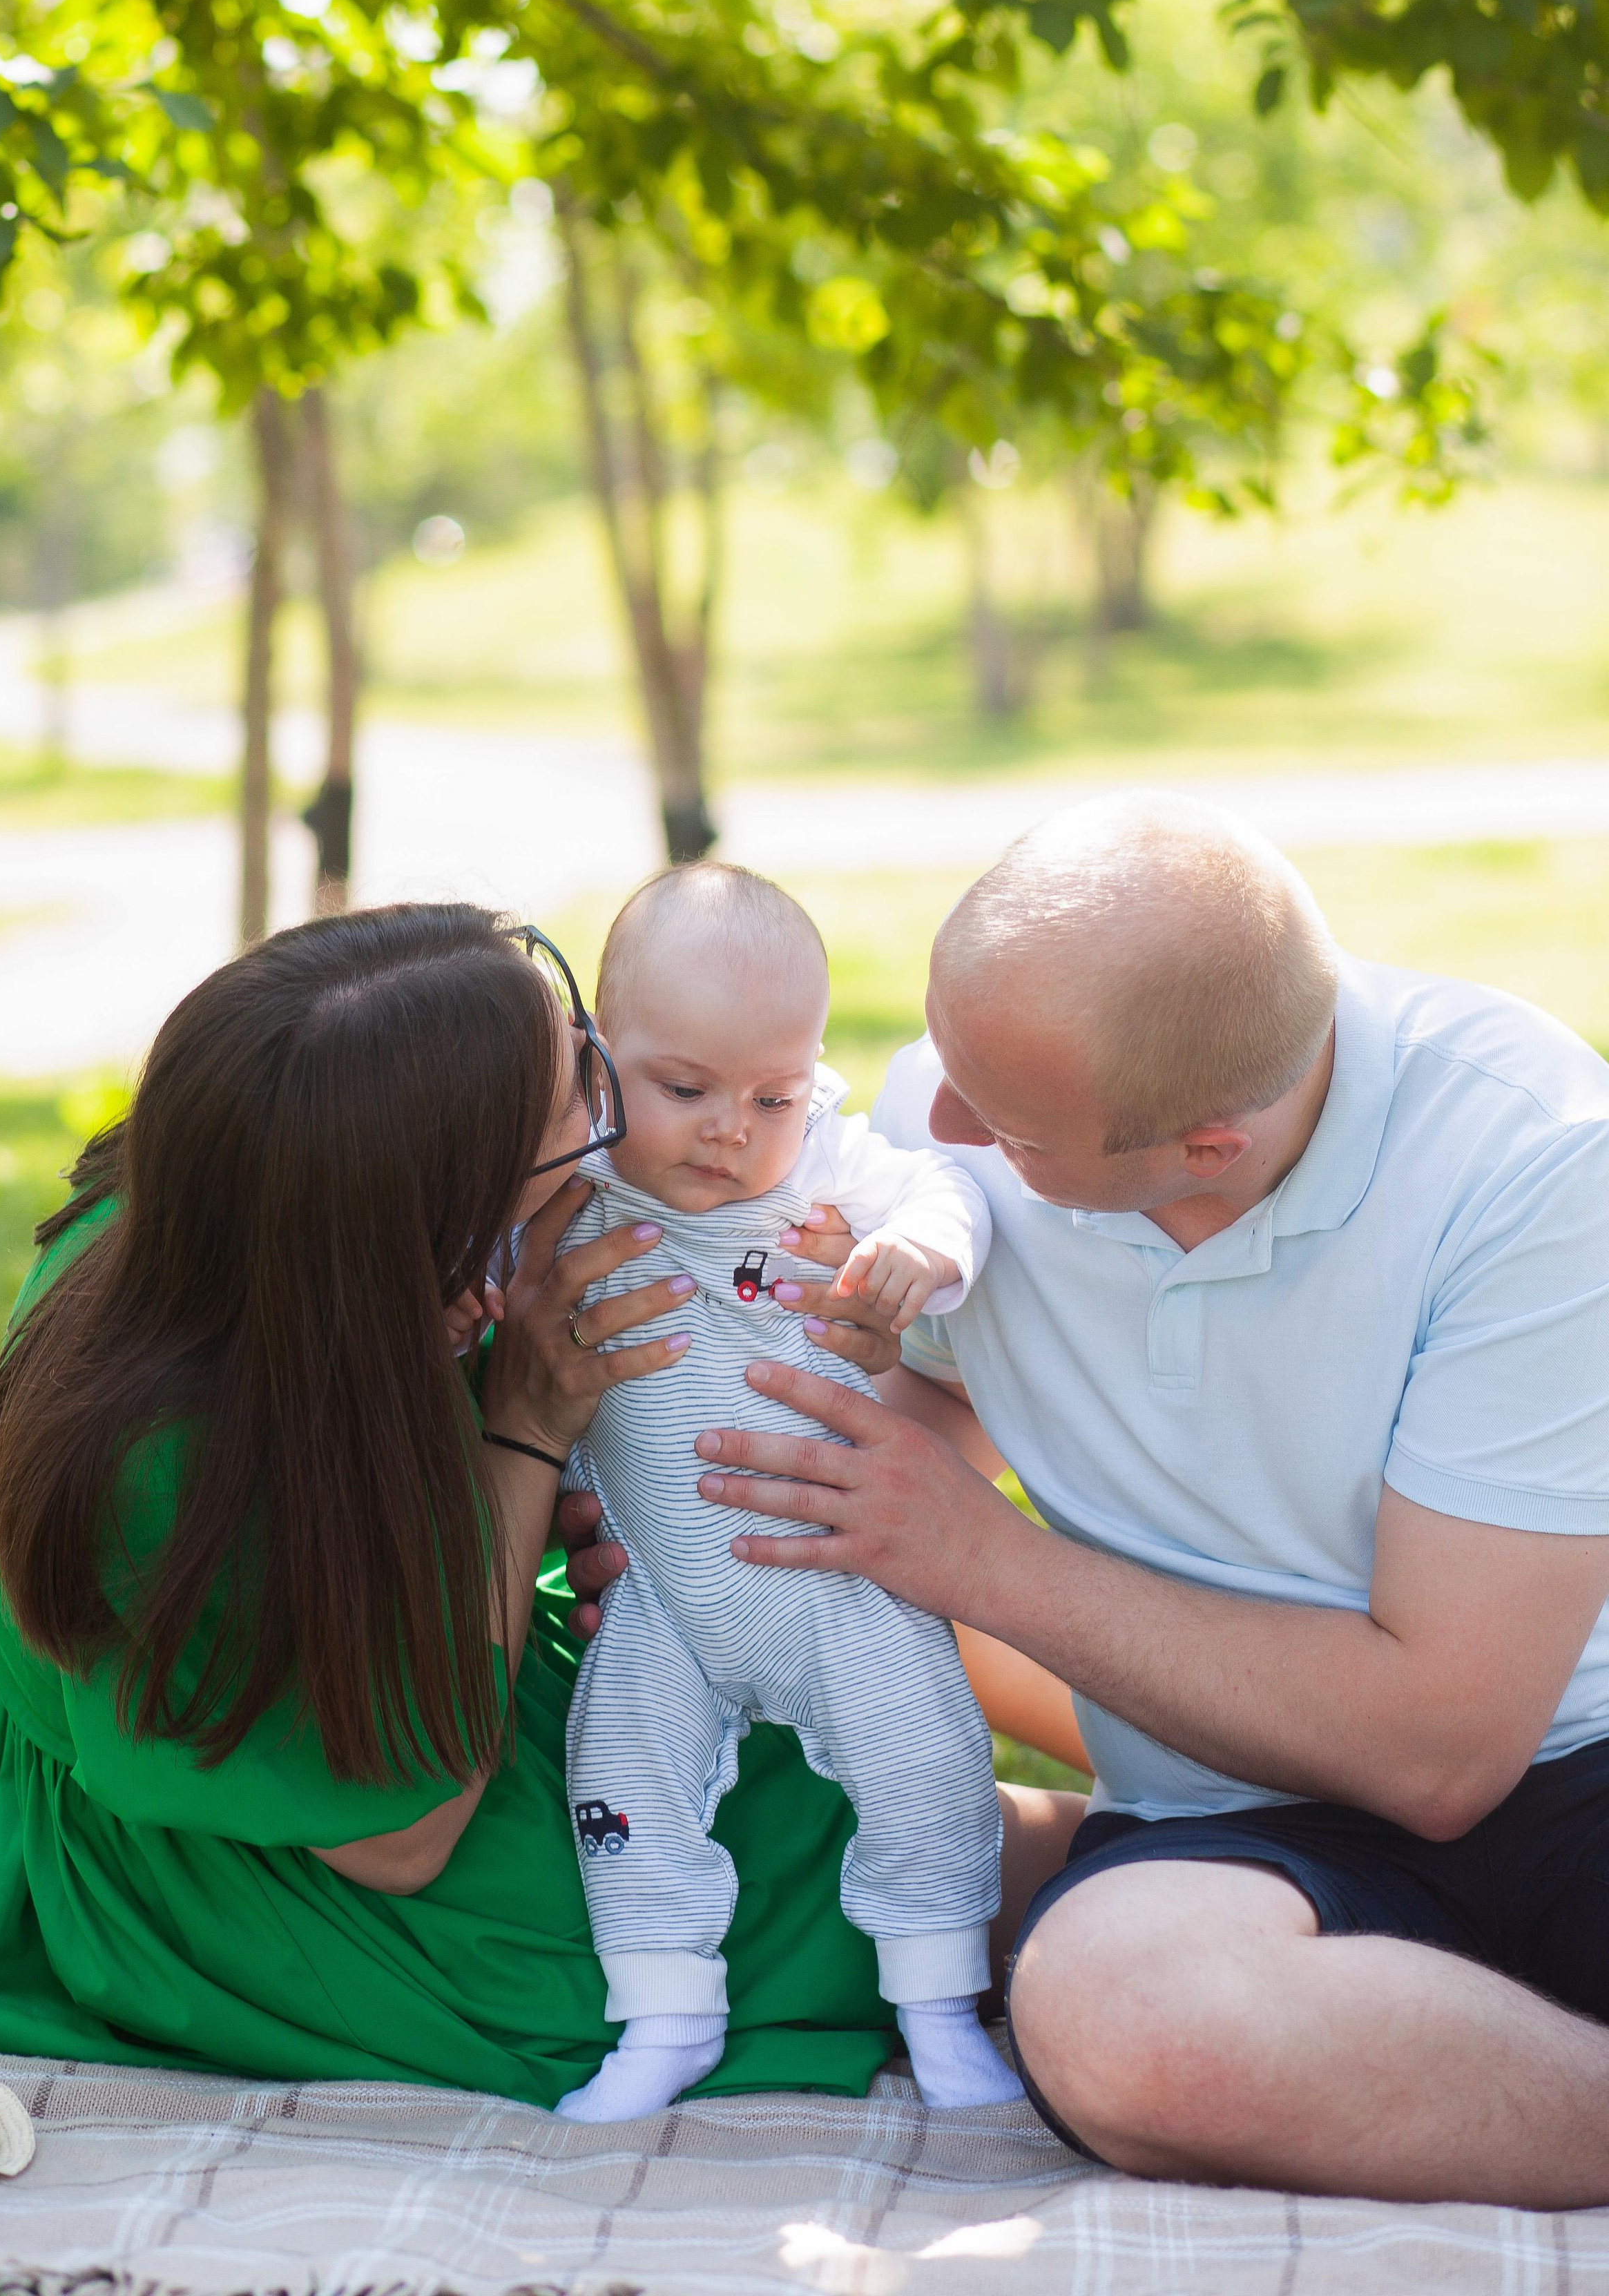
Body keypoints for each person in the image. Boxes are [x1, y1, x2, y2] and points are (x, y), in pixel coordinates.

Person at [615, 793, 1609, 2206]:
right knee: (1117, 2024)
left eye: (1003, 1123)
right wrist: (695, 1527)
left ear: (1206, 1145)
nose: (935, 1115)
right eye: (944, 1058)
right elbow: (921, 1406)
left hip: (1565, 1768)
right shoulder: (940, 1127)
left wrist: (986, 1564)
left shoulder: (1530, 1162)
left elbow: (1445, 1757)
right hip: (1219, 1828)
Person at [0, 904, 961, 2110]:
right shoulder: (165, 1456)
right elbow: (399, 1832)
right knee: (696, 1910)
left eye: (581, 1045)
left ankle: (1158, 1821)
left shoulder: (272, 1225)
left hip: (413, 1658)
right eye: (580, 1101)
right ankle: (1128, 1877)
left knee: (808, 1714)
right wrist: (523, 1431)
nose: (606, 1100)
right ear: (416, 1219)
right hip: (295, 1826)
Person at [554, 865, 1018, 2122]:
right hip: (666, 1601)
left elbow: (946, 1190)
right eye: (685, 1089)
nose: (732, 1130)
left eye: (775, 1091)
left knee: (927, 1768)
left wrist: (917, 1253)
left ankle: (937, 2012)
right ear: (598, 1059)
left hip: (838, 1585)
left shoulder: (826, 1169)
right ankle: (663, 2016)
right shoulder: (566, 1196)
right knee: (617, 1780)